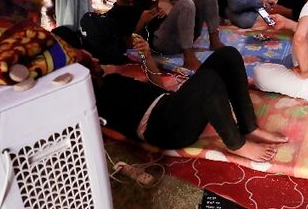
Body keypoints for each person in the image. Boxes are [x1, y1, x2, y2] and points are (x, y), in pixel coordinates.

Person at [81, 39, 287, 163]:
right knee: (208, 82)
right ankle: (237, 144)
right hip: (162, 127)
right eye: (91, 61)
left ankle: (249, 127)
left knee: (228, 55)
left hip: (170, 104)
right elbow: (101, 130)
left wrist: (147, 57)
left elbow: (157, 86)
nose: (97, 60)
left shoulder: (111, 79)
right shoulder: (90, 101)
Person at [105, 0, 223, 70]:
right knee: (186, 2)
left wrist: (159, 12)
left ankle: (214, 39)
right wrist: (142, 21)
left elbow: (163, 14)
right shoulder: (114, 15)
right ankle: (188, 57)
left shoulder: (140, 0)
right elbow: (128, 44)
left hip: (182, 33)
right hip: (161, 42)